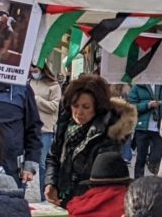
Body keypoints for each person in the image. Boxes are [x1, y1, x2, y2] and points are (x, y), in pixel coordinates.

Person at [44, 75, 136, 207]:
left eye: (86, 107)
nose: (79, 112)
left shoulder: (108, 132)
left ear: (97, 107)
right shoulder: (65, 124)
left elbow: (101, 179)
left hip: (90, 203)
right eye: (75, 106)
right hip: (63, 199)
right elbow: (53, 156)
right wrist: (50, 183)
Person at [128, 83, 162, 178]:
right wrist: (147, 105)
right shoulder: (138, 87)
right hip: (142, 127)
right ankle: (138, 181)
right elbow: (131, 106)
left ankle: (155, 176)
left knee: (158, 155)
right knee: (141, 157)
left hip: (159, 127)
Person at [29, 64, 62, 196]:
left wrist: (36, 100)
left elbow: (54, 107)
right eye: (31, 70)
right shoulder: (29, 83)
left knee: (43, 163)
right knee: (25, 163)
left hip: (45, 129)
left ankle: (45, 194)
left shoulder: (53, 85)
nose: (33, 72)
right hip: (29, 128)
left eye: (35, 70)